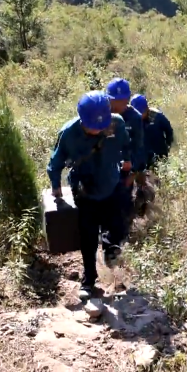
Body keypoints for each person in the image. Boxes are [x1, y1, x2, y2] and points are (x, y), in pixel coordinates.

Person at [47, 91, 131, 300]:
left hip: (111, 184)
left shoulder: (117, 124)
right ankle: (89, 279)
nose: (96, 129)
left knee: (116, 227)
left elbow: (126, 146)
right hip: (85, 191)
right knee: (88, 235)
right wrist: (56, 188)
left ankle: (113, 268)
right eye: (91, 125)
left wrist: (128, 164)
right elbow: (54, 164)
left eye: (100, 126)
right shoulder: (68, 133)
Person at [105, 78, 145, 205]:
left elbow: (139, 147)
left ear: (128, 100)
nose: (117, 105)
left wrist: (133, 173)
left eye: (121, 101)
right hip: (102, 170)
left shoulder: (135, 118)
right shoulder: (101, 115)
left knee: (122, 207)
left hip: (125, 172)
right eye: (114, 101)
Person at [130, 94, 174, 169]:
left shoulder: (158, 117)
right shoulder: (130, 119)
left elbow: (169, 131)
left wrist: (168, 146)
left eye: (141, 112)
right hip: (142, 159)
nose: (139, 116)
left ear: (147, 108)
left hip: (160, 154)